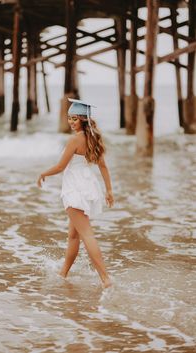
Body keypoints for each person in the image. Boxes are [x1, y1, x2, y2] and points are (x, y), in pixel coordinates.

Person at [37, 98, 114, 288]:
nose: (71, 122)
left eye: (74, 119)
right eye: (69, 118)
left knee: (87, 234)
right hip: (87, 185)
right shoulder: (93, 138)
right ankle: (63, 273)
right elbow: (103, 166)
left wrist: (43, 173)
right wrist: (109, 190)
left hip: (75, 189)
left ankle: (105, 279)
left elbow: (61, 166)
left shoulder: (75, 139)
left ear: (83, 120)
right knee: (73, 235)